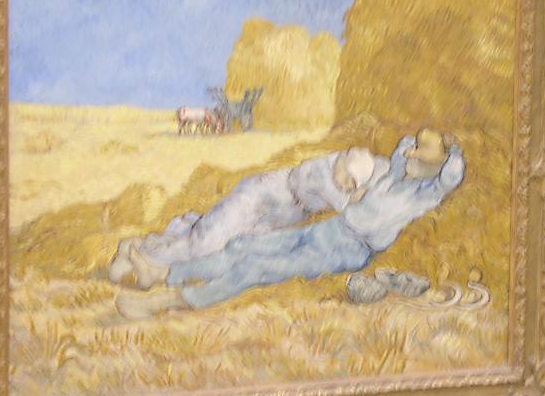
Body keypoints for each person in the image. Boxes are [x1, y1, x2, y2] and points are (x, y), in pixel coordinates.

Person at [115, 128, 465, 319]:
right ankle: (161, 274)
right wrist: (416, 148)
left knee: (256, 268)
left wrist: (452, 149)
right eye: (414, 151)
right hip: (332, 230)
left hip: (349, 249)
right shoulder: (395, 172)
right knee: (244, 246)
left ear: (437, 164)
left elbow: (451, 175)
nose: (412, 155)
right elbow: (404, 145)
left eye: (421, 154)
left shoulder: (426, 193)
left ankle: (169, 301)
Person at [108, 147, 388, 289]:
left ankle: (140, 246)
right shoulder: (321, 170)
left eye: (352, 185)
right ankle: (143, 258)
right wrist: (356, 194)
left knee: (219, 248)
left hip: (274, 217)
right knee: (205, 241)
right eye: (348, 180)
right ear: (343, 165)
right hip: (258, 198)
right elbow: (342, 202)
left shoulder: (337, 174)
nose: (347, 186)